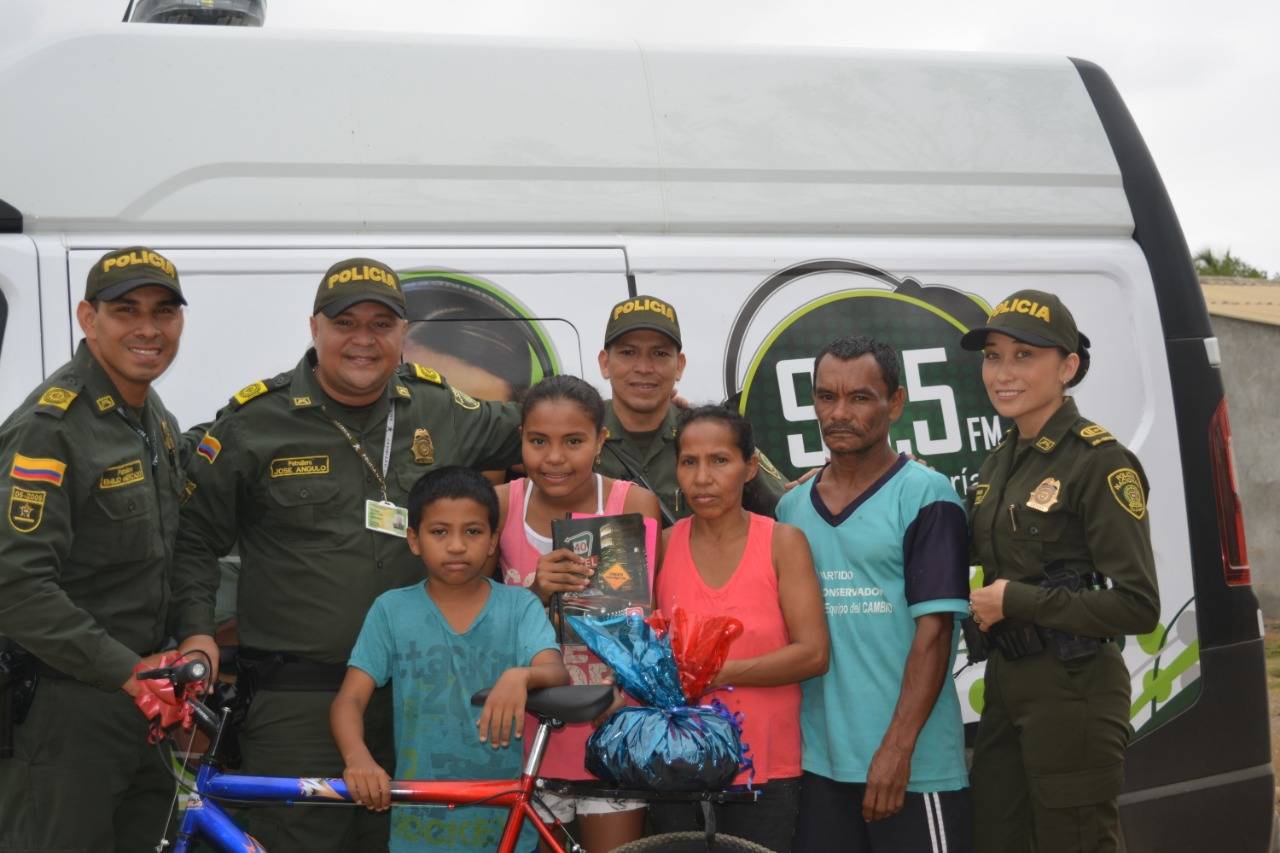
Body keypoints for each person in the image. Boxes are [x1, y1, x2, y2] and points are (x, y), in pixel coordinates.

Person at [173, 257, 524, 852]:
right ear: (315, 328)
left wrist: (665, 422)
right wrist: (194, 630)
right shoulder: (255, 423)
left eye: (382, 324)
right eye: (346, 322)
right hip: (299, 709)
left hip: (425, 698)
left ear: (402, 335)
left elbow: (554, 434)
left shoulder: (441, 409)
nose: (364, 340)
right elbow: (193, 541)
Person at [0, 247, 218, 850]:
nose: (149, 328)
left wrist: (193, 634)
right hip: (65, 714)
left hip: (142, 706)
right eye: (126, 310)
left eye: (164, 311)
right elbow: (14, 587)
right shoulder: (52, 427)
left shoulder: (152, 419)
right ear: (86, 317)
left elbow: (169, 554)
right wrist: (128, 673)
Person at [961, 290, 1159, 853]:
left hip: (1074, 692)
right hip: (1007, 684)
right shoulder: (1002, 460)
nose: (1003, 372)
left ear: (1068, 367)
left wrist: (1017, 601)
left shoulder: (1098, 461)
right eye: (993, 355)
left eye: (1025, 356)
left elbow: (1138, 606)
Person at [777, 336, 972, 853]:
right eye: (826, 397)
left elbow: (935, 633)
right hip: (819, 764)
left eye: (860, 397)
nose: (839, 413)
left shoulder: (927, 496)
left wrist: (897, 748)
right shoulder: (791, 509)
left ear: (896, 403)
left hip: (910, 765)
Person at [332, 466, 569, 853]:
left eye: (473, 532)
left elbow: (555, 671)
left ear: (493, 541)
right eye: (439, 532)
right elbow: (349, 700)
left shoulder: (518, 605)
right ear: (414, 540)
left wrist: (520, 677)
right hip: (419, 824)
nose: (457, 546)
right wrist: (358, 759)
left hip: (504, 823)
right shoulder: (391, 610)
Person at [649, 405, 828, 852]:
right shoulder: (664, 546)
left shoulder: (782, 542)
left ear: (750, 468)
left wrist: (720, 672)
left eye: (719, 461)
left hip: (764, 770)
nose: (702, 477)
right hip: (677, 767)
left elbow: (813, 654)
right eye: (689, 462)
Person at [495, 375, 662, 853]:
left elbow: (651, 624)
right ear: (521, 438)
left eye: (573, 441)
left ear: (600, 440)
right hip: (530, 735)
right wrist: (536, 591)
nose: (554, 458)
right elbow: (479, 620)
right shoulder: (504, 505)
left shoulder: (631, 503)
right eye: (538, 441)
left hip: (612, 723)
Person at [594, 295, 789, 524]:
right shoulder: (581, 436)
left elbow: (789, 506)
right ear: (605, 363)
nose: (644, 368)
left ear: (679, 366)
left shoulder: (707, 434)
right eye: (628, 353)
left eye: (660, 354)